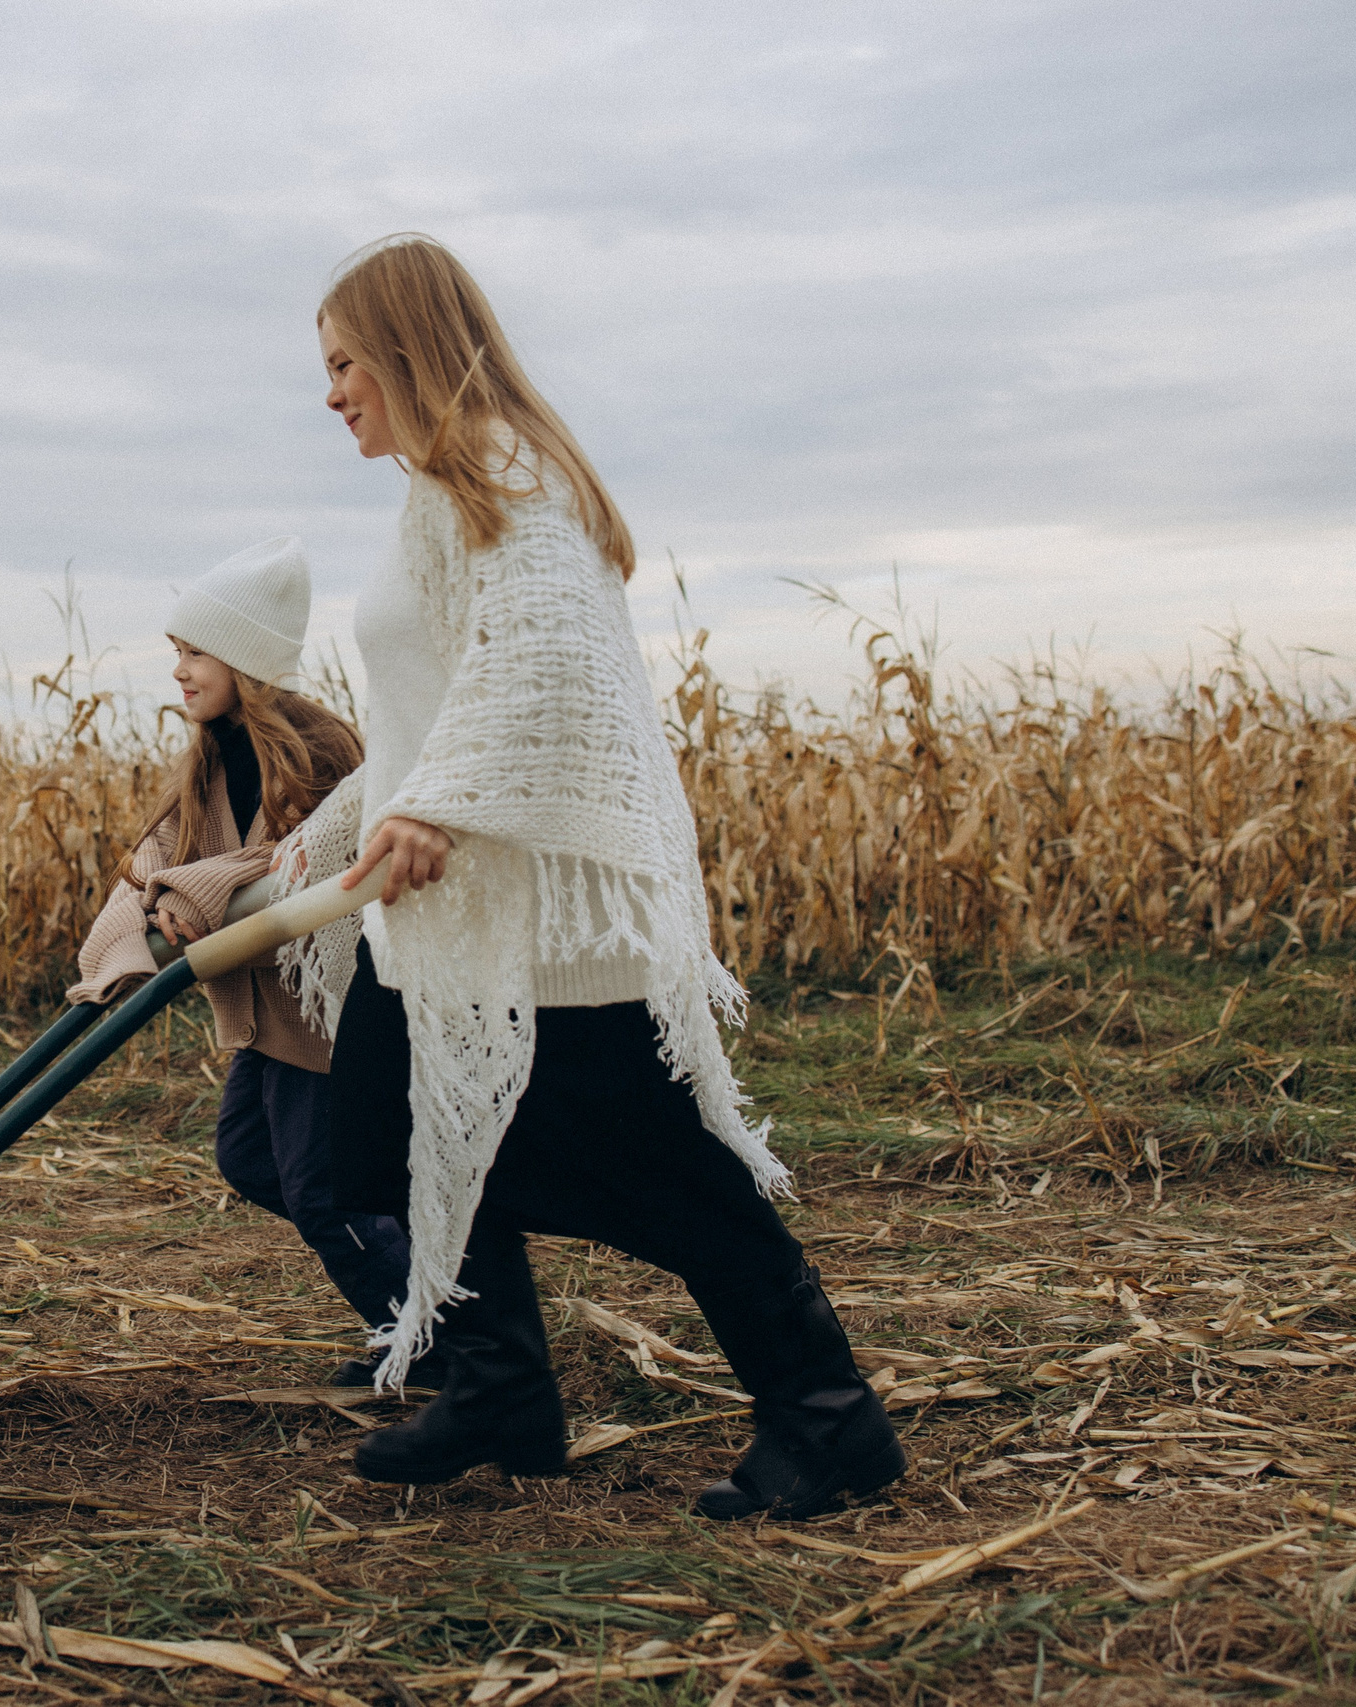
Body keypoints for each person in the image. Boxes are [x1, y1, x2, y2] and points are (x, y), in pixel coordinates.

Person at [273, 236, 905, 1518]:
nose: (330, 390)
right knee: (397, 1137)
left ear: (403, 345)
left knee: (665, 1180)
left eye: (342, 360)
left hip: (537, 935)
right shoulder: (436, 492)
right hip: (444, 927)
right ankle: (499, 1386)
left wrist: (444, 803)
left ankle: (827, 1421)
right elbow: (433, 705)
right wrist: (342, 827)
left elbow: (545, 668)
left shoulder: (503, 468)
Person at [71, 539, 438, 1388]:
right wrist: (119, 948)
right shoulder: (210, 751)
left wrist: (194, 889)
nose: (180, 671)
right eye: (177, 653)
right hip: (269, 1011)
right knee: (249, 1157)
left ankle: (431, 1330)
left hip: (329, 1001)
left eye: (194, 652)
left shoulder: (316, 749)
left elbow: (299, 861)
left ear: (244, 658)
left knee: (321, 1190)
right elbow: (160, 853)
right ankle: (430, 1269)